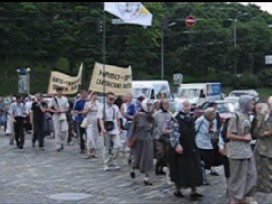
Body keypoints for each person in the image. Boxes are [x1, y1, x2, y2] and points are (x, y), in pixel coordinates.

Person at [166, 100, 203, 201]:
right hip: (181, 146)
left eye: (188, 105)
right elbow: (173, 133)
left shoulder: (190, 117)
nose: (187, 107)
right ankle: (178, 190)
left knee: (193, 168)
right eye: (185, 105)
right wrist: (177, 145)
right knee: (180, 168)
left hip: (191, 145)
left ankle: (193, 190)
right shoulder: (176, 118)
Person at [227, 95, 257, 204]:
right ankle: (235, 199)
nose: (253, 106)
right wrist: (243, 138)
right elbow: (229, 134)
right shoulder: (235, 116)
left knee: (251, 175)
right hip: (237, 152)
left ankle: (244, 197)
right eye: (251, 103)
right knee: (237, 179)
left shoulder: (247, 116)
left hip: (247, 151)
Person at [128, 99, 154, 186]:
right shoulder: (138, 116)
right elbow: (132, 128)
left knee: (148, 158)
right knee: (137, 157)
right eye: (147, 104)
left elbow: (152, 129)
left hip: (148, 140)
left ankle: (146, 178)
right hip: (138, 139)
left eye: (150, 105)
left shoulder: (152, 117)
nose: (149, 106)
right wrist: (130, 139)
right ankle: (132, 168)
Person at [97, 92, 123, 171]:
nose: (112, 100)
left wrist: (119, 128)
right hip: (106, 128)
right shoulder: (102, 107)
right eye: (110, 99)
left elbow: (118, 118)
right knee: (106, 147)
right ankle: (106, 163)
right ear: (107, 99)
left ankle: (112, 159)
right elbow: (100, 119)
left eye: (113, 99)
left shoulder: (115, 107)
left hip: (114, 128)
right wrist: (102, 128)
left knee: (118, 146)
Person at [195, 107, 218, 185]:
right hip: (200, 141)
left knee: (209, 160)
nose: (214, 116)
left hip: (208, 142)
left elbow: (214, 130)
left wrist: (212, 131)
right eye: (213, 115)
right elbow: (195, 129)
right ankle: (202, 176)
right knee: (202, 159)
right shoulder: (200, 120)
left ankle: (205, 170)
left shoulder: (214, 121)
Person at [254, 97, 272, 193]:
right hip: (265, 149)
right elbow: (256, 133)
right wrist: (267, 133)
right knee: (265, 178)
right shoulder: (263, 115)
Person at [153, 99, 172, 176]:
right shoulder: (156, 114)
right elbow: (153, 125)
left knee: (167, 152)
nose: (166, 105)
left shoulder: (170, 114)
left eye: (167, 104)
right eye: (164, 104)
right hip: (158, 136)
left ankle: (163, 167)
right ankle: (157, 167)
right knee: (160, 152)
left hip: (166, 136)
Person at [49, 87, 69, 152]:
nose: (60, 92)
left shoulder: (65, 99)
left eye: (61, 91)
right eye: (58, 91)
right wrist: (55, 111)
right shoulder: (53, 99)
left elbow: (67, 108)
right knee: (57, 131)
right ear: (57, 92)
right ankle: (58, 145)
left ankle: (62, 141)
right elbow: (49, 108)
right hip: (56, 116)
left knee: (64, 130)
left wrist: (63, 110)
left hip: (63, 115)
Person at [83, 91, 100, 159]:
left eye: (96, 95)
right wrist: (88, 110)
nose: (95, 96)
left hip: (96, 122)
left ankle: (94, 152)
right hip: (89, 121)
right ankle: (89, 151)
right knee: (90, 137)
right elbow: (84, 113)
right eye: (93, 95)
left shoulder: (99, 104)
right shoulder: (87, 103)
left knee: (95, 137)